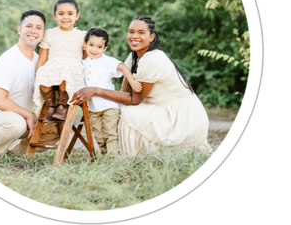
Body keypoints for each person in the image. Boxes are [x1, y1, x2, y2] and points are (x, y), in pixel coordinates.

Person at [72, 16, 211, 156]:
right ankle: (109, 152)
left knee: (127, 113)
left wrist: (96, 90)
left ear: (151, 37)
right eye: (131, 31)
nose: (134, 36)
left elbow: (135, 99)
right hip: (157, 107)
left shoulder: (153, 58)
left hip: (180, 117)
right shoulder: (134, 56)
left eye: (141, 32)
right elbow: (125, 92)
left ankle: (127, 155)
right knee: (118, 108)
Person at [0, 10, 60, 158]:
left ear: (43, 34)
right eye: (29, 26)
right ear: (20, 30)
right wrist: (28, 115)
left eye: (38, 28)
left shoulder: (38, 61)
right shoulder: (8, 59)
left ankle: (16, 153)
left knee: (55, 127)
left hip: (20, 118)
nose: (33, 31)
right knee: (16, 123)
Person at [82, 27, 142, 156]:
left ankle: (113, 159)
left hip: (109, 106)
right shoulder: (82, 63)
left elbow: (122, 66)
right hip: (92, 108)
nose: (94, 49)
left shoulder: (107, 61)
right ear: (85, 44)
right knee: (98, 135)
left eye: (99, 47)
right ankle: (106, 156)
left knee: (110, 133)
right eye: (91, 45)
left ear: (104, 49)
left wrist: (131, 81)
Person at [33, 0, 86, 121]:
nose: (65, 17)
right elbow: (42, 59)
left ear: (77, 16)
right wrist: (37, 77)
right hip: (52, 66)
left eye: (70, 13)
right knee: (42, 71)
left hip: (73, 68)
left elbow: (86, 57)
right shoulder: (50, 34)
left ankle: (62, 105)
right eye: (61, 14)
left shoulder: (82, 35)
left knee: (65, 70)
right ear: (55, 16)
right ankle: (51, 105)